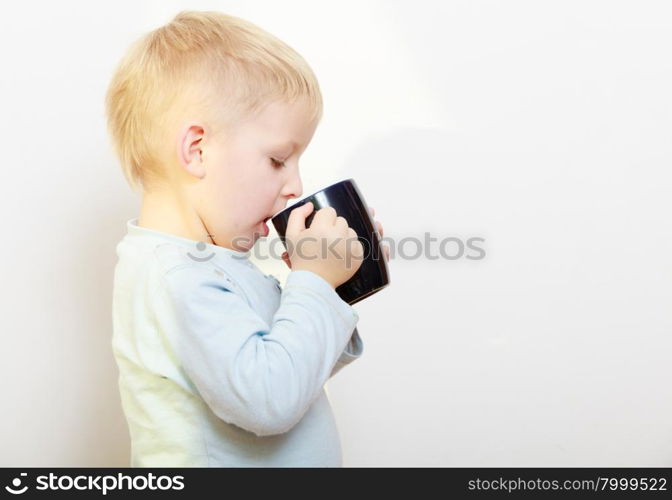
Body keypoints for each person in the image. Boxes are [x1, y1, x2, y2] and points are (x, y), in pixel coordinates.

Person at [105, 10, 389, 466]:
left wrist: (330, 286)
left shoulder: (211, 263)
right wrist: (313, 284)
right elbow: (270, 399)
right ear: (197, 150)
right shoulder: (175, 275)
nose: (295, 185)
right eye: (279, 160)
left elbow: (295, 371)